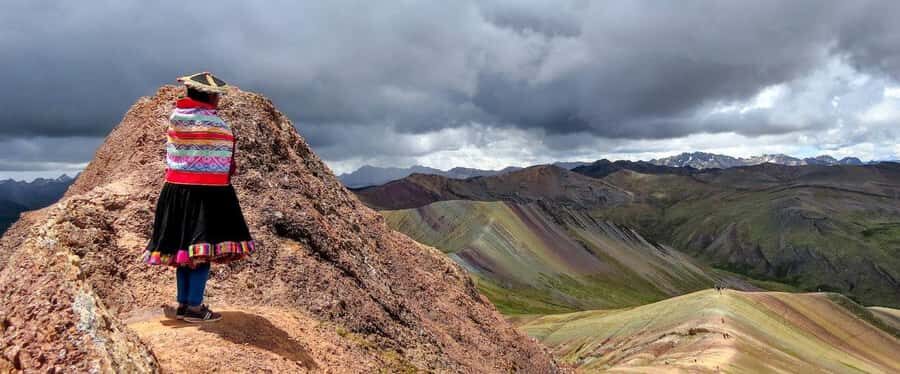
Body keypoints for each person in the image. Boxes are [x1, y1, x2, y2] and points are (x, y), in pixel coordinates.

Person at [142, 72, 255, 323]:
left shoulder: (175, 119)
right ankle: (194, 306)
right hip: (208, 193)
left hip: (175, 191)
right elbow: (228, 165)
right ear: (210, 97)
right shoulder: (218, 125)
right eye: (216, 96)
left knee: (184, 251)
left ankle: (183, 303)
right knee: (202, 250)